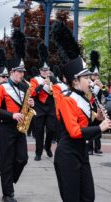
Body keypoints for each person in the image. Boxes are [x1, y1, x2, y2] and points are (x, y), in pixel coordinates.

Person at [51, 21, 111, 202]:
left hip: (81, 153)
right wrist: (100, 128)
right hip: (67, 155)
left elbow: (85, 128)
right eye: (85, 77)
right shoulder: (67, 99)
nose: (89, 81)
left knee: (88, 197)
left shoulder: (85, 98)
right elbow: (75, 132)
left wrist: (97, 120)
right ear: (75, 81)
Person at [0, 61, 34, 202]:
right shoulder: (0, 87)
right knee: (7, 161)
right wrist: (11, 115)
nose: (21, 74)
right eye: (19, 71)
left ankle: (8, 180)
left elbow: (23, 105)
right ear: (12, 71)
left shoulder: (24, 87)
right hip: (5, 127)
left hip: (20, 127)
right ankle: (7, 194)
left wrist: (30, 104)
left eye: (23, 72)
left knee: (23, 158)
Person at [30, 61, 56, 160]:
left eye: (47, 70)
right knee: (39, 131)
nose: (45, 72)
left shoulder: (53, 79)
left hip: (50, 108)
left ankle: (48, 146)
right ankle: (38, 153)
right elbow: (32, 93)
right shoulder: (35, 80)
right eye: (43, 70)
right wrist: (41, 85)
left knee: (51, 129)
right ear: (40, 71)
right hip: (39, 108)